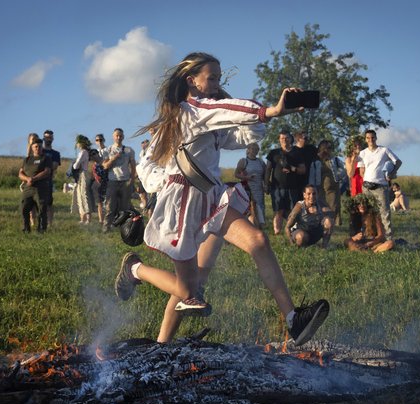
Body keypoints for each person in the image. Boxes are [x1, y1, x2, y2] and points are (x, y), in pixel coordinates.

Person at [116, 52, 329, 346]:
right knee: (188, 290)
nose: (217, 83)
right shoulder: (190, 112)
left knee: (258, 241)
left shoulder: (205, 115)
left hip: (213, 199)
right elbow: (225, 110)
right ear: (191, 81)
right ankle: (135, 272)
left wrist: (273, 115)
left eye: (218, 77)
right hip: (184, 204)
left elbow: (241, 134)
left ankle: (294, 320)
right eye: (211, 78)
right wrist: (271, 110)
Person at [359, 130, 402, 241]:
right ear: (365, 139)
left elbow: (398, 161)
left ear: (376, 138)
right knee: (368, 212)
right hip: (367, 186)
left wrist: (392, 173)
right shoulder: (363, 153)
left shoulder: (384, 150)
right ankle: (370, 236)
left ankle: (388, 239)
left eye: (372, 137)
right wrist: (365, 179)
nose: (370, 140)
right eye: (368, 138)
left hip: (380, 186)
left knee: (384, 212)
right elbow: (361, 170)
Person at [264, 129, 305, 235]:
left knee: (293, 211)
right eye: (282, 138)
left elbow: (303, 170)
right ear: (279, 139)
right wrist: (266, 182)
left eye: (286, 138)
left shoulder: (297, 152)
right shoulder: (273, 153)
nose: (284, 140)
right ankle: (277, 232)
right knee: (278, 210)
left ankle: (292, 232)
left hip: (293, 187)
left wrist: (292, 169)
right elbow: (268, 169)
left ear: (291, 139)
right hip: (277, 187)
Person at [102, 128, 137, 233]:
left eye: (120, 136)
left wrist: (132, 178)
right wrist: (113, 158)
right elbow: (104, 166)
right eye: (117, 135)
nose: (119, 137)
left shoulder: (129, 150)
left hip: (125, 180)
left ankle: (125, 228)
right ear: (113, 137)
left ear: (123, 137)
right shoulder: (108, 150)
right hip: (112, 180)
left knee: (125, 206)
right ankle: (106, 227)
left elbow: (133, 165)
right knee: (110, 205)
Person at [18, 138, 52, 233]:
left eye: (40, 146)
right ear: (32, 148)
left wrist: (34, 179)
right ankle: (26, 228)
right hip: (28, 187)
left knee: (41, 209)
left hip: (40, 187)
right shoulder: (27, 159)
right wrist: (27, 179)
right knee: (24, 208)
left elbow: (47, 171)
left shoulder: (46, 158)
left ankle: (41, 229)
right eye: (36, 146)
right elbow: (20, 173)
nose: (38, 148)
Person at [308, 139, 345, 226]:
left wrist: (339, 176)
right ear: (321, 148)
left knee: (333, 208)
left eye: (330, 148)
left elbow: (343, 170)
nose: (328, 150)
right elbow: (312, 174)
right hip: (319, 189)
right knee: (320, 207)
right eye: (327, 148)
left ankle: (333, 225)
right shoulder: (315, 160)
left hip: (333, 189)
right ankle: (321, 224)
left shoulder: (334, 159)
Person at [234, 142, 266, 228]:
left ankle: (260, 227)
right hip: (247, 188)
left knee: (260, 207)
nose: (255, 150)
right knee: (249, 208)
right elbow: (236, 174)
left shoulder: (261, 162)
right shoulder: (244, 161)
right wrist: (247, 177)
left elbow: (265, 175)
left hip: (259, 188)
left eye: (257, 149)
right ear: (248, 150)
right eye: (253, 148)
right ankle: (248, 227)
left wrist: (265, 185)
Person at [70, 135, 92, 225]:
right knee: (79, 195)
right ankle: (83, 218)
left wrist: (73, 164)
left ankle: (87, 219)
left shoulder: (83, 152)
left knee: (84, 195)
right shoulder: (85, 152)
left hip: (83, 173)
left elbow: (76, 165)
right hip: (81, 174)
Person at [42, 130, 60, 227]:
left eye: (50, 137)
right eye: (46, 137)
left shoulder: (55, 153)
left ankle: (50, 223)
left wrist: (42, 166)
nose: (48, 139)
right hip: (37, 180)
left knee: (49, 202)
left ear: (53, 139)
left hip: (48, 180)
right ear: (43, 138)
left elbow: (54, 166)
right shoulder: (39, 150)